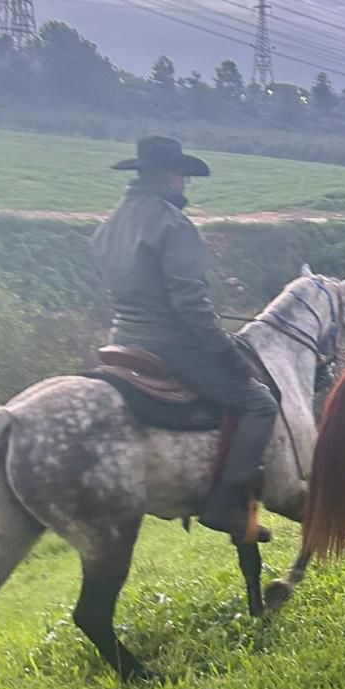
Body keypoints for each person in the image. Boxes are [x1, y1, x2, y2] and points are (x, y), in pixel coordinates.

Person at [92, 136, 278, 541]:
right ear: (173, 177)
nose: (184, 186)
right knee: (259, 403)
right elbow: (190, 303)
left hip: (123, 336)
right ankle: (225, 505)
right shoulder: (172, 223)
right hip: (170, 344)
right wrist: (224, 350)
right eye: (183, 177)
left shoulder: (110, 223)